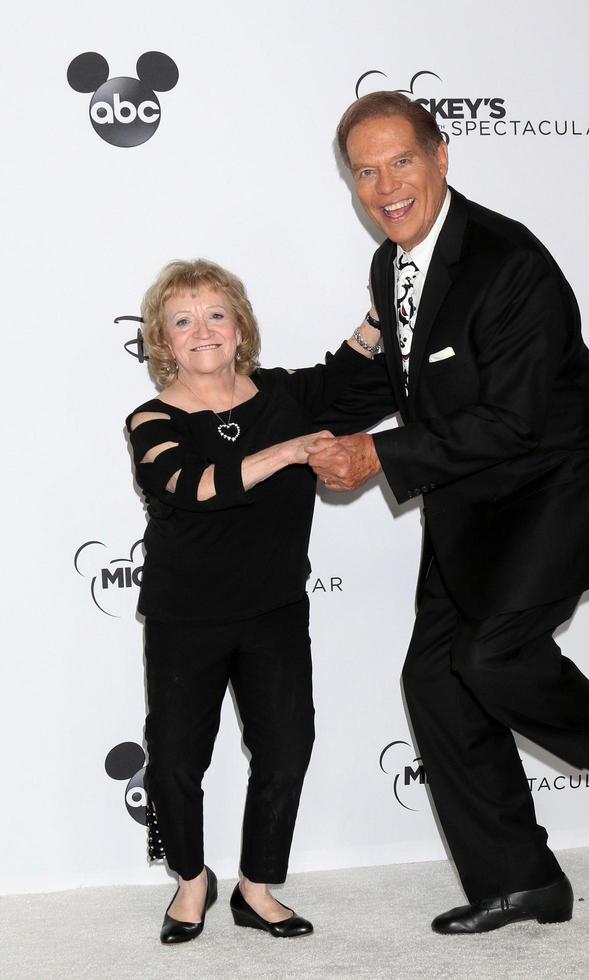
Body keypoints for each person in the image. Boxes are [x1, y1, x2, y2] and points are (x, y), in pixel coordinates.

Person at [308, 92, 589, 935]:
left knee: (491, 653)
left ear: (442, 155)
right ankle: (521, 881)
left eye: (402, 161)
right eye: (366, 171)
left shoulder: (510, 262)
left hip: (552, 492)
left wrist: (377, 458)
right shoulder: (391, 265)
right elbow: (377, 380)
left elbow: (513, 418)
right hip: (468, 501)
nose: (386, 186)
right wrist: (255, 403)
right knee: (434, 679)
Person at [125, 258, 382, 943]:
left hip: (273, 612)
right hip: (186, 618)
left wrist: (382, 313)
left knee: (287, 747)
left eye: (216, 313)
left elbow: (353, 381)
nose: (201, 329)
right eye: (182, 320)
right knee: (177, 759)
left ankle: (257, 888)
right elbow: (191, 484)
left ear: (239, 327)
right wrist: (288, 453)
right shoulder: (150, 420)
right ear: (163, 341)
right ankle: (191, 882)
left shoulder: (284, 396)